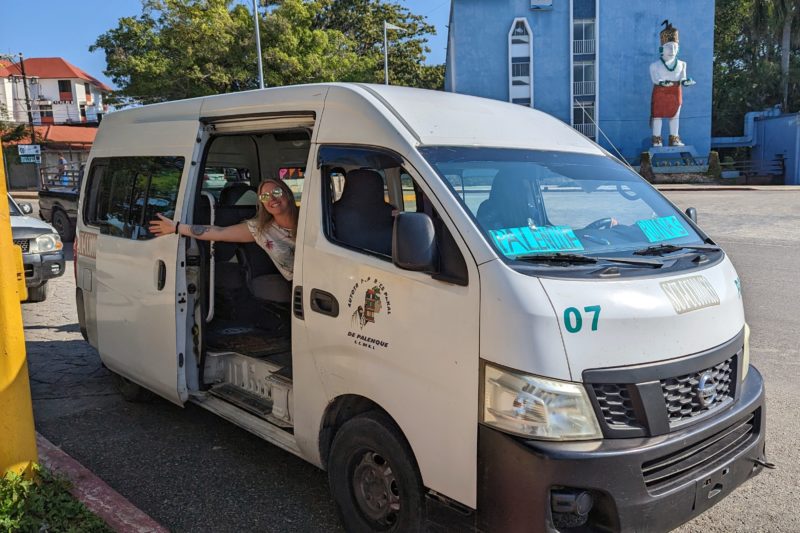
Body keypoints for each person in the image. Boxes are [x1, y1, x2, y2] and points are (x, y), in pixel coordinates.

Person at [149, 179, 299, 280]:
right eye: (265, 196)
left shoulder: (311, 219)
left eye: (277, 192)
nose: (272, 199)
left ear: (288, 193)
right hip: (300, 286)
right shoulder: (260, 229)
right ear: (262, 203)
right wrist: (177, 227)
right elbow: (219, 232)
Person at [649, 20, 695, 147]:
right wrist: (662, 82)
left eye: (675, 47)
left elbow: (683, 78)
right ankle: (656, 138)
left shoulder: (682, 64)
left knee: (674, 116)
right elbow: (655, 79)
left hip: (675, 92)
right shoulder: (655, 65)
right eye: (669, 46)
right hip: (660, 92)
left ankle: (674, 138)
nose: (672, 50)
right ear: (661, 48)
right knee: (657, 116)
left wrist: (687, 82)